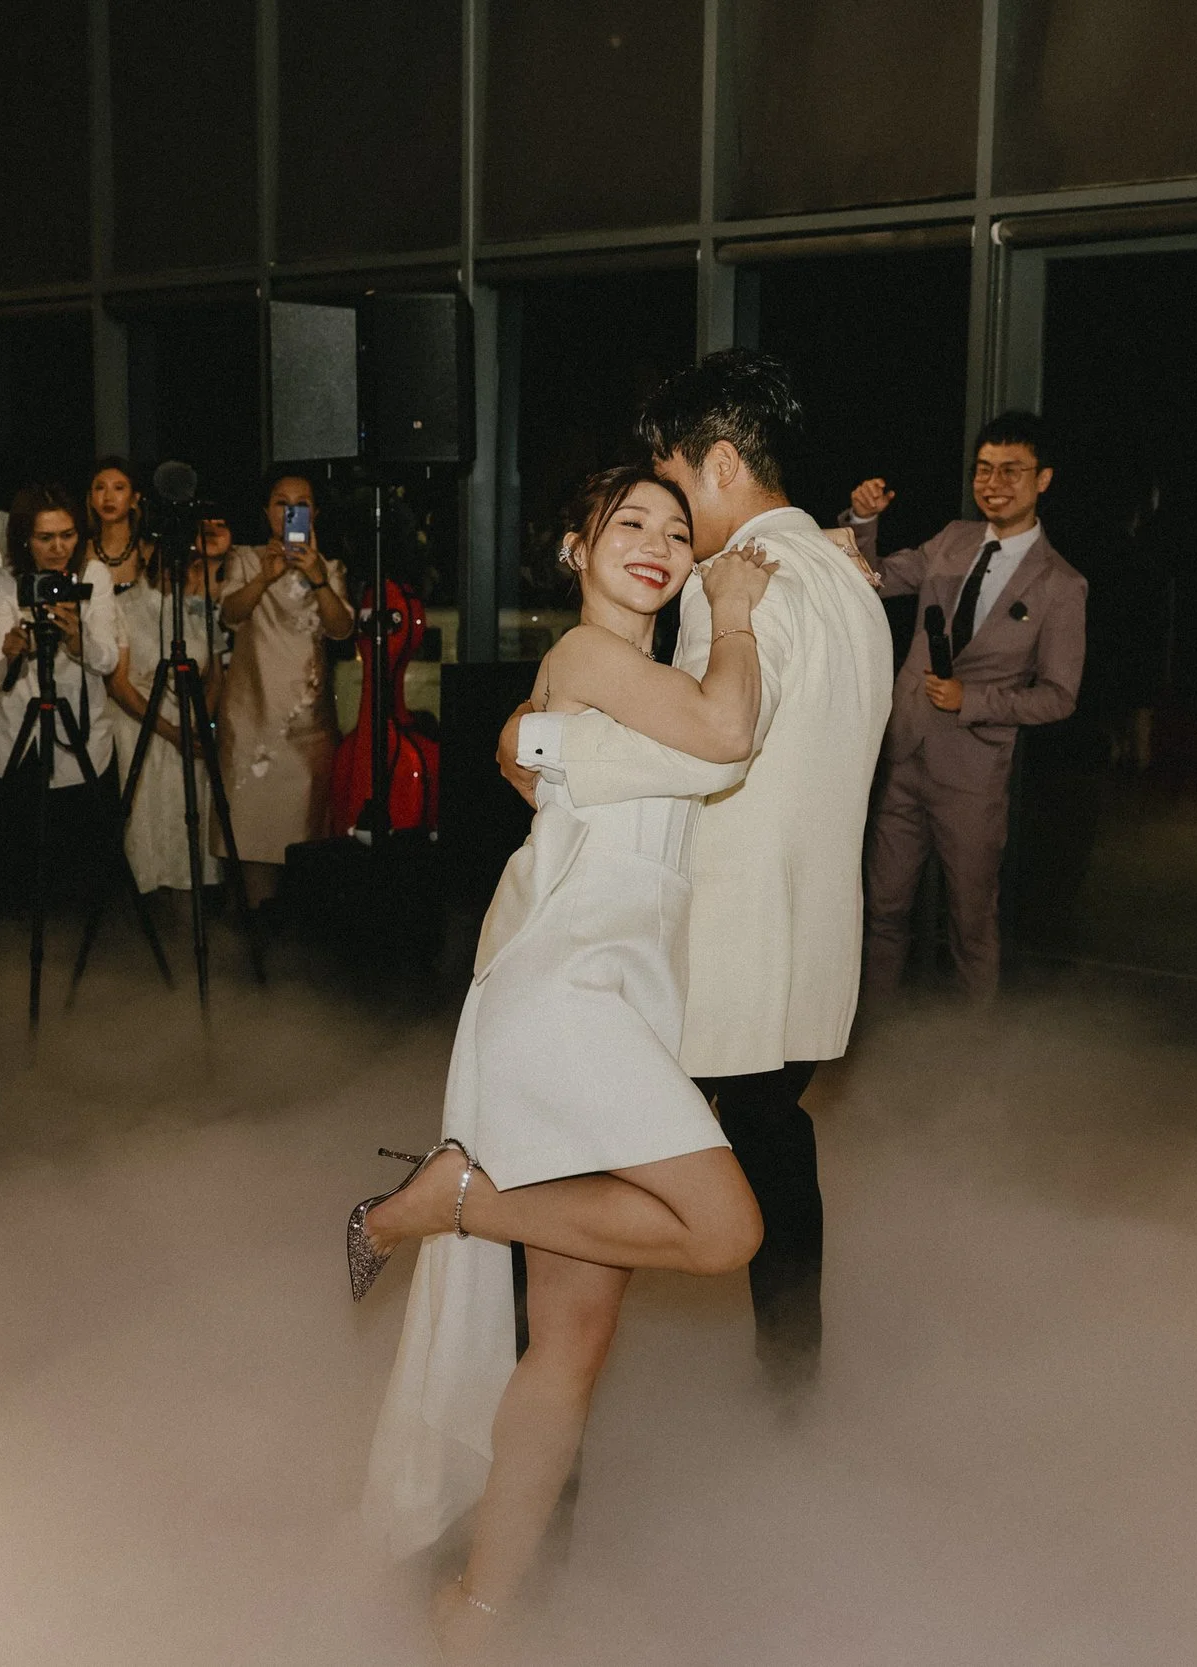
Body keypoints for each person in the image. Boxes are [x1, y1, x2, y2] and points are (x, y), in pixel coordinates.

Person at [358, 466, 775, 1644]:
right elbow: (729, 732)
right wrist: (738, 617)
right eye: (627, 523)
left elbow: (695, 745)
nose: (656, 543)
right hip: (566, 991)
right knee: (726, 1229)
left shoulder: (626, 684)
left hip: (624, 999)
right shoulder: (592, 655)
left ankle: (477, 1603)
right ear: (573, 550)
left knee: (571, 1345)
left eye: (677, 531)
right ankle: (454, 1198)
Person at [498, 348, 895, 1396]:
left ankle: (535, 1394)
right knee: (772, 1149)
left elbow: (706, 746)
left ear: (719, 462)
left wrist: (537, 743)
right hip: (805, 954)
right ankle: (791, 1390)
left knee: (572, 1168)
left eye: (672, 482)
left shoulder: (737, 586)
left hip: (713, 953)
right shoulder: (849, 582)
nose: (668, 518)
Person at [842, 410, 1088, 1003]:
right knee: (882, 910)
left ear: (1043, 479)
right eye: (983, 469)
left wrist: (971, 698)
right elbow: (872, 578)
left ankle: (973, 1048)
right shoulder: (952, 539)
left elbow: (1059, 697)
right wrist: (864, 521)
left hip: (973, 777)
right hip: (905, 754)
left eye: (1011, 470)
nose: (993, 483)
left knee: (971, 923)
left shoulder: (1060, 584)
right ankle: (873, 1030)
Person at [0, 483, 126, 926]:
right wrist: (12, 650)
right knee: (13, 877)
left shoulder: (93, 576)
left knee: (80, 873)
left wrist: (76, 639)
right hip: (15, 737)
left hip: (80, 734)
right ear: (25, 540)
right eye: (45, 538)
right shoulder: (4, 582)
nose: (58, 548)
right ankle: (7, 952)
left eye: (68, 535)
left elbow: (107, 660)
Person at [216, 473, 351, 909]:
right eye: (281, 502)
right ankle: (251, 919)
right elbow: (229, 614)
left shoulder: (328, 567)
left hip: (307, 719)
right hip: (251, 712)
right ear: (267, 512)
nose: (290, 511)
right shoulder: (244, 559)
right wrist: (263, 578)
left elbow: (341, 628)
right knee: (250, 823)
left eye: (301, 503)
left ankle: (295, 920)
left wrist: (317, 578)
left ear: (314, 513)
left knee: (303, 823)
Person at [108, 508, 230, 895]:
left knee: (188, 826)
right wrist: (169, 731)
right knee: (148, 827)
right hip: (141, 727)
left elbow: (215, 675)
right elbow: (118, 684)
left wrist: (198, 725)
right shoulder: (123, 607)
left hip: (190, 728)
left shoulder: (195, 608)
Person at [86, 456, 152, 591]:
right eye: (100, 488)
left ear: (134, 499)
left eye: (118, 488)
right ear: (91, 499)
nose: (108, 497)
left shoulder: (150, 553)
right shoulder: (80, 552)